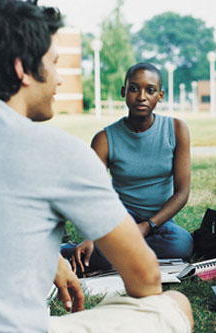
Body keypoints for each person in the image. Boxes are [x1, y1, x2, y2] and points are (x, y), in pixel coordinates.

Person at [0, 1, 193, 333]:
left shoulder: (174, 130)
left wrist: (51, 260)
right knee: (176, 304)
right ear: (23, 69)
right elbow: (146, 278)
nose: (60, 78)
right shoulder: (58, 149)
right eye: (54, 63)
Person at [66, 62, 193, 274]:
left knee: (181, 244)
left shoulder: (177, 129)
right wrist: (91, 236)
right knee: (95, 245)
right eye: (134, 88)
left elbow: (182, 193)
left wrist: (146, 226)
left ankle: (107, 254)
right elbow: (92, 195)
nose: (141, 96)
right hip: (120, 217)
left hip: (159, 222)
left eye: (150, 90)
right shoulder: (104, 139)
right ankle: (87, 252)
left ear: (160, 96)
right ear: (124, 92)